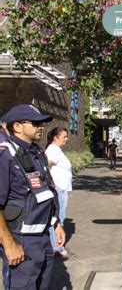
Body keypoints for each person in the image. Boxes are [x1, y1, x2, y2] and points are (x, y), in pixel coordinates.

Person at [0, 104, 65, 289]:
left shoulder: (36, 153)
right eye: (35, 123)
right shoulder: (6, 155)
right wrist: (9, 244)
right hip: (21, 240)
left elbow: (46, 191)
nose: (41, 126)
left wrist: (56, 223)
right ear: (17, 126)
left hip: (43, 238)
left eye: (42, 123)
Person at [45, 127, 74, 260]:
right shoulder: (53, 149)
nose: (66, 139)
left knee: (58, 219)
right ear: (55, 137)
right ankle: (57, 248)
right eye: (64, 136)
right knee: (57, 220)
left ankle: (57, 246)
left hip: (61, 189)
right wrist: (53, 185)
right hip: (58, 189)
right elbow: (45, 166)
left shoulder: (56, 150)